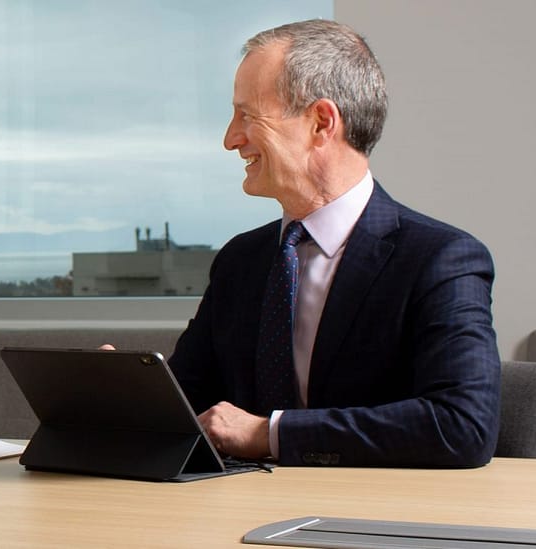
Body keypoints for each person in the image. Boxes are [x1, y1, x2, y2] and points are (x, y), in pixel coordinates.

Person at [169, 19, 499, 468]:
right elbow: (192, 402)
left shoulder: (440, 259)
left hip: (373, 520)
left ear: (321, 123)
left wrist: (269, 434)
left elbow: (462, 426)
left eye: (247, 115)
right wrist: (126, 399)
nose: (231, 139)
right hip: (235, 514)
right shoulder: (239, 260)